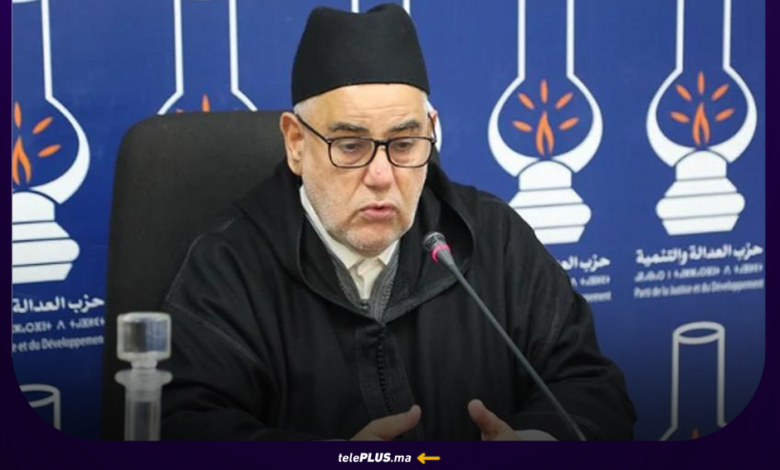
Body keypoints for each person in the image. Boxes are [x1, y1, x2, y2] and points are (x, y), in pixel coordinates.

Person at [160, 3, 635, 441]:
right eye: (351, 146)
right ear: (296, 144)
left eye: (404, 145)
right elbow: (186, 428)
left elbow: (592, 387)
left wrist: (541, 442)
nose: (382, 176)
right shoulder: (229, 267)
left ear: (431, 130)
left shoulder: (494, 237)